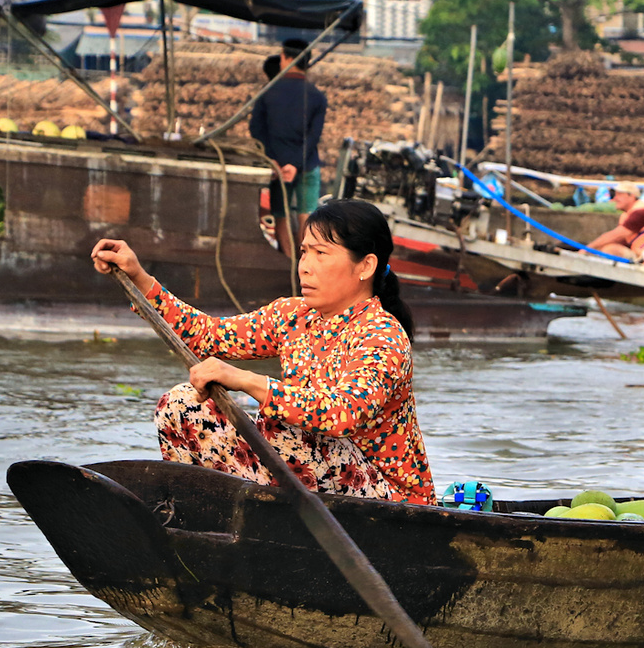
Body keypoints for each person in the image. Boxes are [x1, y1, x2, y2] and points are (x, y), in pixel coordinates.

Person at [89, 199, 434, 503]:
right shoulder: (292, 315)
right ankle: (203, 511)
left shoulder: (382, 336)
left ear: (366, 266)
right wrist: (138, 276)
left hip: (391, 503)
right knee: (182, 404)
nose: (305, 266)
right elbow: (207, 335)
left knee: (291, 430)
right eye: (304, 252)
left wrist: (248, 382)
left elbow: (341, 414)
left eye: (321, 254)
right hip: (311, 483)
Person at [250, 38, 328, 244]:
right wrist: (295, 164)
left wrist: (273, 161)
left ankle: (288, 261)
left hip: (277, 167)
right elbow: (314, 136)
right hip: (307, 165)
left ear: (287, 58)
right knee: (307, 215)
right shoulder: (317, 97)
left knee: (280, 215)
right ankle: (304, 263)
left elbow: (256, 129)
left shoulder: (267, 93)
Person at [589, 182, 644, 258]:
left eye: (619, 195)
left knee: (611, 250)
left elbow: (616, 236)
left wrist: (587, 249)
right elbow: (620, 240)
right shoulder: (626, 214)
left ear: (631, 196)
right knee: (603, 248)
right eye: (615, 195)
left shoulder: (642, 212)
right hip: (640, 252)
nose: (615, 199)